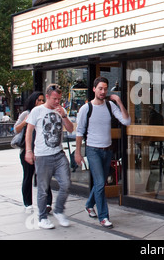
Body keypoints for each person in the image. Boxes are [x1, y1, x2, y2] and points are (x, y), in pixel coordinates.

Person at [74, 77, 131, 228]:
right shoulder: (86, 109)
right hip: (93, 150)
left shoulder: (110, 105)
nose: (103, 91)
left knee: (101, 183)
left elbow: (126, 121)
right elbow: (79, 132)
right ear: (94, 89)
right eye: (100, 88)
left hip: (107, 150)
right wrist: (78, 153)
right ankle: (103, 217)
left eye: (105, 88)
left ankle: (89, 204)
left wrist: (118, 101)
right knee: (100, 183)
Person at [25, 84, 74, 229]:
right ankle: (42, 218)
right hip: (42, 155)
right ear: (47, 97)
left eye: (59, 99)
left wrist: (63, 115)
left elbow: (71, 129)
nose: (57, 102)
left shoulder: (61, 110)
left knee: (66, 183)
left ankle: (59, 210)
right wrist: (29, 150)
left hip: (59, 154)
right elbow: (29, 132)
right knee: (43, 188)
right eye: (54, 99)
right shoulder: (37, 111)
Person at [14, 91, 52, 212]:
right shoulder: (27, 113)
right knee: (28, 176)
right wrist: (26, 121)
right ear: (33, 101)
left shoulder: (44, 112)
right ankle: (27, 203)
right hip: (27, 150)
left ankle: (47, 203)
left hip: (42, 150)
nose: (40, 102)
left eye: (42, 100)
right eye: (38, 100)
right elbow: (16, 129)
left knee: (44, 177)